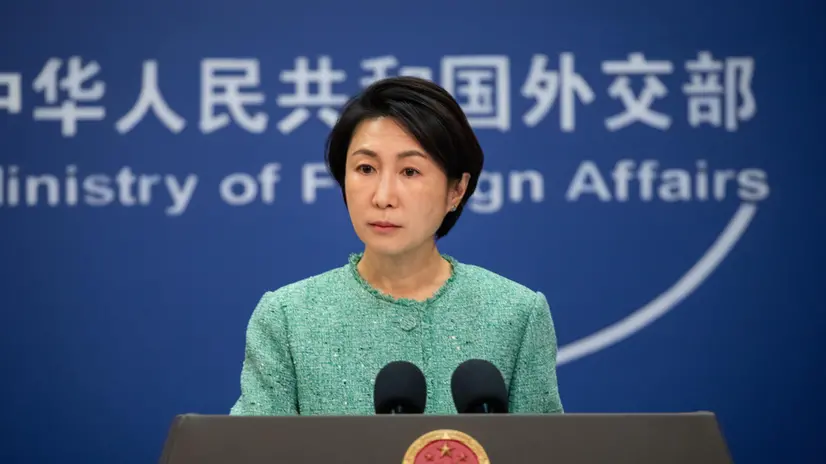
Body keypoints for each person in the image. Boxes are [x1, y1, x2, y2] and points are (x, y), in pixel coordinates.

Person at [229, 76, 564, 416]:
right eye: (366, 168)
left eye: (409, 171)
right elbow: (248, 450)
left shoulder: (516, 314)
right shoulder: (287, 318)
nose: (383, 197)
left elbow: (545, 450)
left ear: (457, 190)